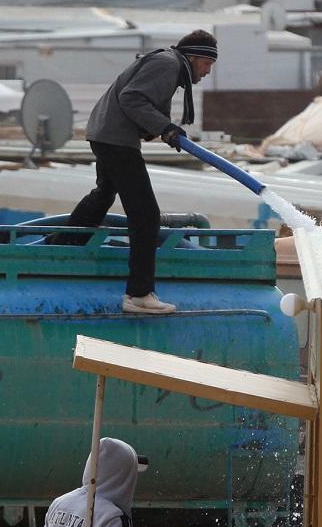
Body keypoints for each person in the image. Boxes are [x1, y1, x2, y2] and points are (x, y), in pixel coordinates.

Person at [66, 31, 218, 315]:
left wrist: (154, 127)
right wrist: (165, 128)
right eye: (207, 63)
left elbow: (136, 101)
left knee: (103, 195)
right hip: (115, 139)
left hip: (106, 133)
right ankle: (138, 295)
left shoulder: (167, 62)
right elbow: (132, 98)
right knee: (145, 215)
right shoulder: (169, 64)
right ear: (194, 56)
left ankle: (62, 247)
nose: (208, 70)